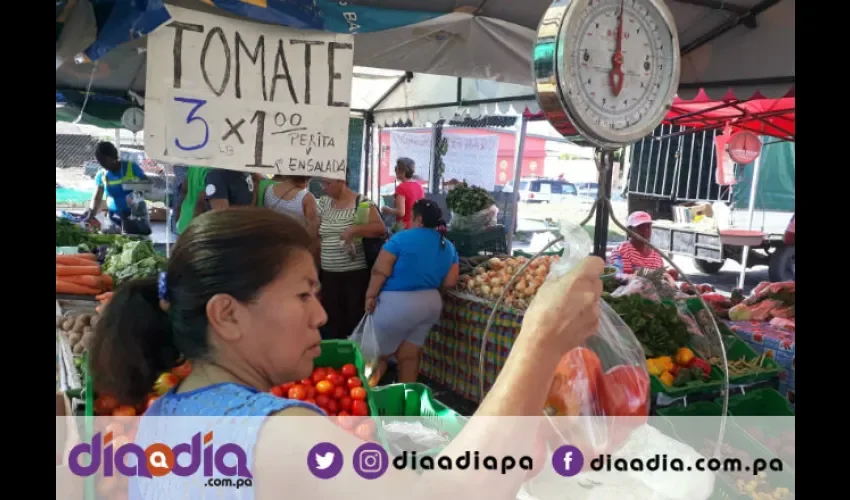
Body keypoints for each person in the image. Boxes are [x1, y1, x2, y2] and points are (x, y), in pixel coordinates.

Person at [88, 207, 604, 500]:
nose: (319, 315)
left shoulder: (165, 415)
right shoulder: (279, 433)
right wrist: (540, 339)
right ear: (227, 314)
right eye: (302, 294)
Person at [364, 199, 459, 384]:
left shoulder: (401, 238)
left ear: (419, 218)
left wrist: (370, 295)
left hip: (395, 304)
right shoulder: (447, 245)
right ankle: (408, 405)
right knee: (409, 355)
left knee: (377, 356)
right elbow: (450, 282)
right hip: (430, 305)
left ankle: (358, 400)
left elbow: (380, 270)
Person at [317, 179, 386, 339]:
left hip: (355, 274)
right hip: (328, 273)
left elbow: (380, 228)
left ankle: (355, 357)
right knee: (332, 321)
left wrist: (355, 230)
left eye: (327, 184)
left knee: (354, 320)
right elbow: (316, 233)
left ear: (340, 181)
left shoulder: (361, 202)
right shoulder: (323, 203)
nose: (323, 188)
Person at [85, 141, 151, 235]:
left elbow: (147, 185)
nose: (102, 164)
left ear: (112, 156)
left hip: (134, 217)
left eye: (104, 160)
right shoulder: (102, 174)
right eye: (99, 161)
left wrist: (135, 190)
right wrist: (90, 215)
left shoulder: (130, 167)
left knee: (135, 241)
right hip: (114, 217)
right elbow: (97, 198)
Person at [608, 211, 677, 279]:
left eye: (648, 227)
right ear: (629, 231)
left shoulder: (656, 256)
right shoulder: (622, 250)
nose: (645, 230)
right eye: (640, 227)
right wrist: (640, 274)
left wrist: (669, 277)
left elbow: (661, 279)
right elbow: (616, 276)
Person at [258, 175, 319, 240]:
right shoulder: (307, 198)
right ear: (307, 178)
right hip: (294, 243)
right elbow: (312, 231)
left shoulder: (268, 189)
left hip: (270, 240)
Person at [381, 157, 424, 231]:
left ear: (403, 172)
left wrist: (386, 209)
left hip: (404, 228)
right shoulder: (419, 186)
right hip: (418, 227)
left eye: (397, 168)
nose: (395, 171)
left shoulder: (401, 188)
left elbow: (401, 212)